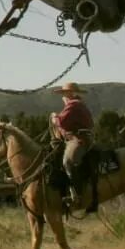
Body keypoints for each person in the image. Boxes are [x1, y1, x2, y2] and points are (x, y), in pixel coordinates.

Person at [50, 82, 95, 210]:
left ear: (70, 94)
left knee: (68, 161)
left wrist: (54, 118)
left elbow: (61, 121)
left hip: (79, 139)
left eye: (64, 93)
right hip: (76, 137)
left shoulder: (73, 105)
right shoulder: (75, 104)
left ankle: (77, 195)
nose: (63, 96)